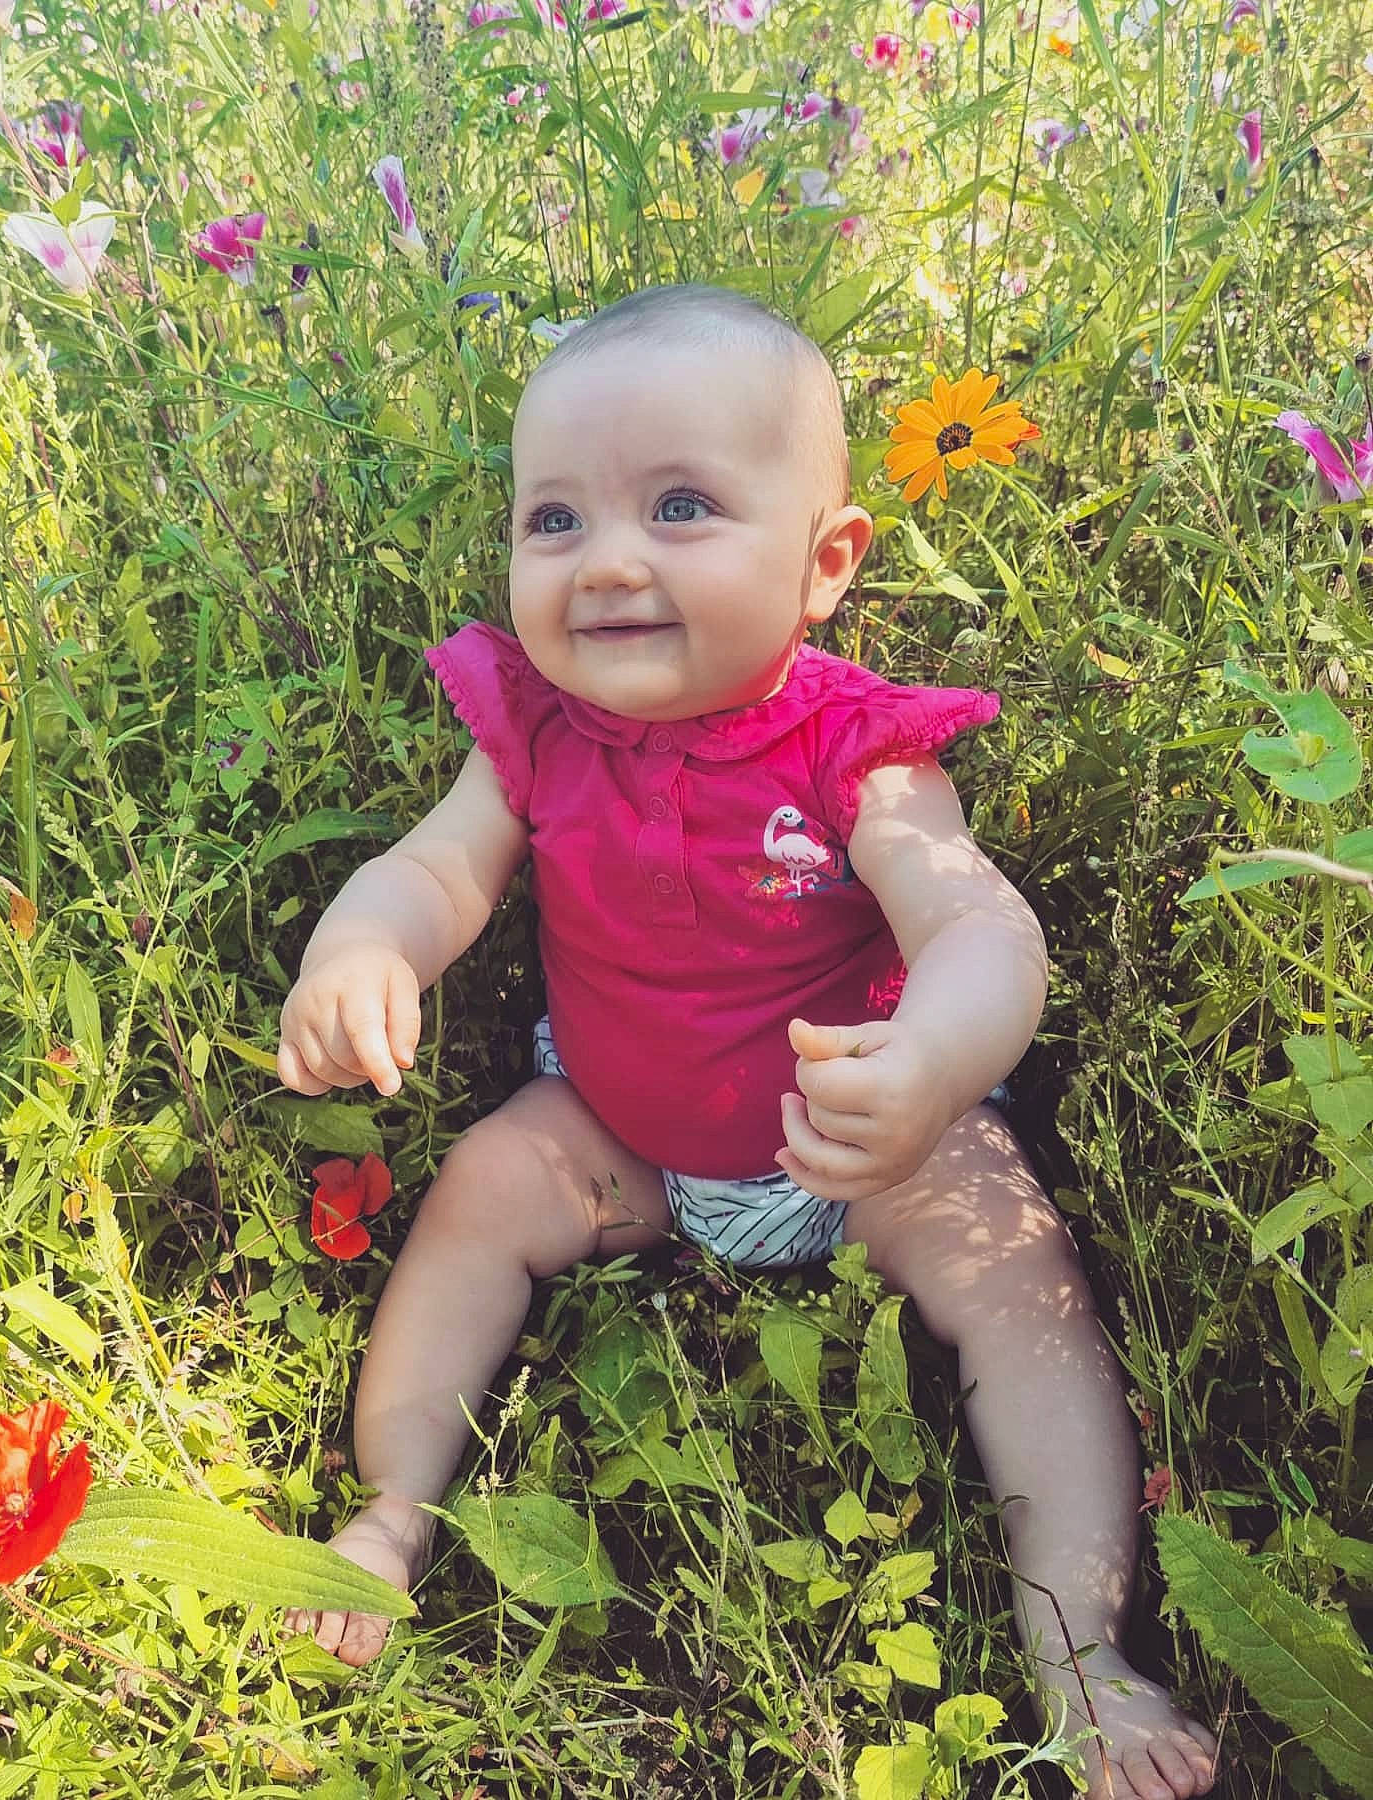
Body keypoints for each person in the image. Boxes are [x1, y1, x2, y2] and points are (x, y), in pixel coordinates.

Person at [278, 284, 1218, 1800]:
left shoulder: (860, 747)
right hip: (620, 1131)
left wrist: (926, 1069)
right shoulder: (533, 727)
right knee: (477, 1193)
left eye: (682, 506)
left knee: (1018, 1276)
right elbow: (440, 868)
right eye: (555, 520)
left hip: (858, 1141)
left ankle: (1083, 1652)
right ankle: (392, 1506)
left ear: (826, 560)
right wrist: (366, 944)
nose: (611, 563)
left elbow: (983, 931)